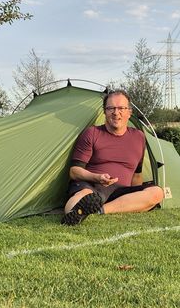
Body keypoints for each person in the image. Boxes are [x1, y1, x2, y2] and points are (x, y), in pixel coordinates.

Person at [62, 89, 165, 226]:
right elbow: (74, 172)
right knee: (84, 195)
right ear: (105, 111)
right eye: (111, 108)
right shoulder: (92, 133)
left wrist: (136, 196)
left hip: (120, 193)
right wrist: (97, 177)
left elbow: (136, 175)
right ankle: (73, 215)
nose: (116, 113)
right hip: (93, 186)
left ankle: (99, 210)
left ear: (129, 112)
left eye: (121, 108)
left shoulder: (139, 137)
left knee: (157, 192)